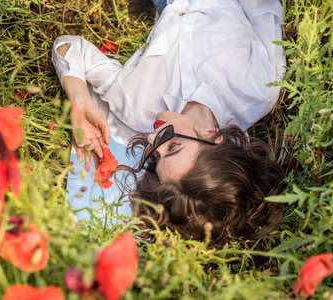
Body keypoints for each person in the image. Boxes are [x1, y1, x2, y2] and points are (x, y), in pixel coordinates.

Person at [52, 0, 286, 245]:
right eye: (172, 147)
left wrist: (79, 101)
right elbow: (263, 9)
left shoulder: (136, 106)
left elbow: (68, 47)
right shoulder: (258, 91)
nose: (152, 139)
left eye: (155, 157)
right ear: (214, 137)